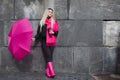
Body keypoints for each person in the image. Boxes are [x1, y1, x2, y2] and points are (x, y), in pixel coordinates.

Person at [32, 8, 59, 78]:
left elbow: (57, 32)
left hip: (52, 41)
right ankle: (52, 72)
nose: (50, 13)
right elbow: (39, 33)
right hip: (44, 41)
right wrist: (35, 38)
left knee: (50, 56)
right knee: (48, 56)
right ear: (46, 13)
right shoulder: (42, 22)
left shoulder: (54, 21)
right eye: (49, 12)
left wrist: (53, 32)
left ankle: (47, 72)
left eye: (51, 12)